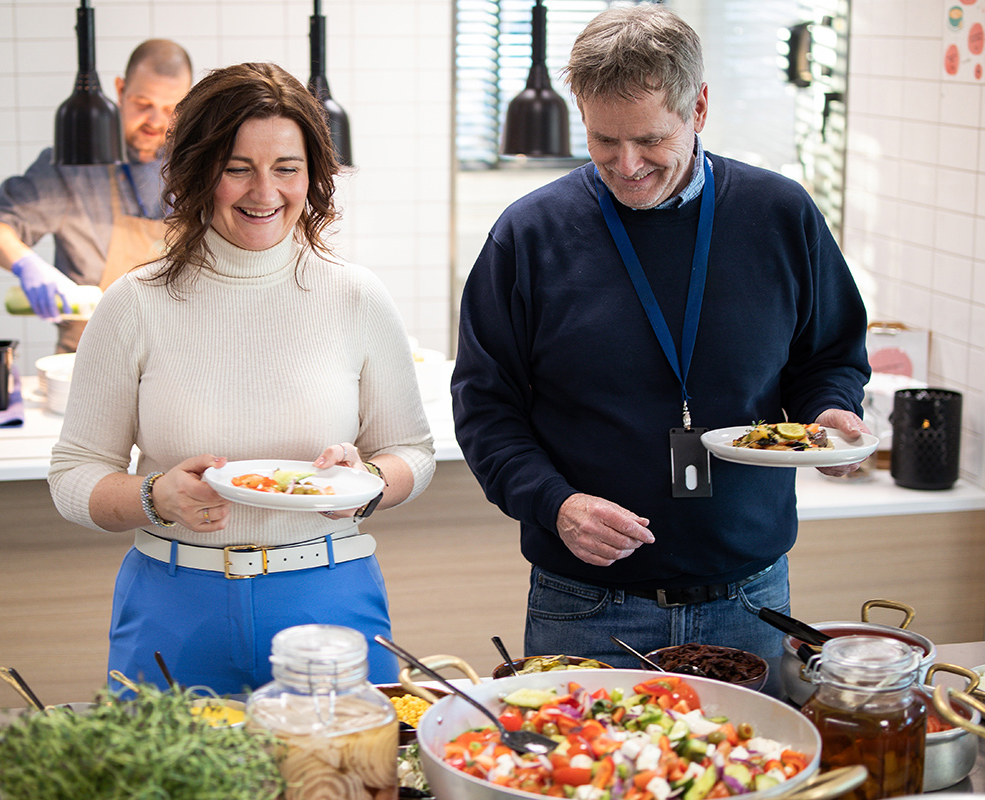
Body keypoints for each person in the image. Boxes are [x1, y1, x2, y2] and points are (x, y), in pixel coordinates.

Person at [451, 5, 871, 690]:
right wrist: (554, 503)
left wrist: (831, 415)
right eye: (602, 140)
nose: (626, 165)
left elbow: (829, 357)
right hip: (584, 607)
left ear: (698, 107)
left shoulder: (781, 214)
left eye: (649, 139)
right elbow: (483, 405)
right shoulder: (528, 236)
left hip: (750, 603)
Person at [47, 62, 435, 695]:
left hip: (328, 595)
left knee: (345, 788)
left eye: (287, 167)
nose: (265, 192)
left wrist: (365, 483)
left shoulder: (356, 296)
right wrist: (154, 497)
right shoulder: (134, 302)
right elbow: (72, 475)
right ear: (199, 171)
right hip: (174, 603)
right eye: (237, 168)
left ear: (312, 175)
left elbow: (413, 454)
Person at [0, 39, 193, 353]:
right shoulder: (74, 166)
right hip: (87, 357)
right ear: (120, 89)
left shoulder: (197, 165)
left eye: (170, 109)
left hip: (176, 356)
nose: (155, 121)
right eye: (143, 103)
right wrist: (27, 265)